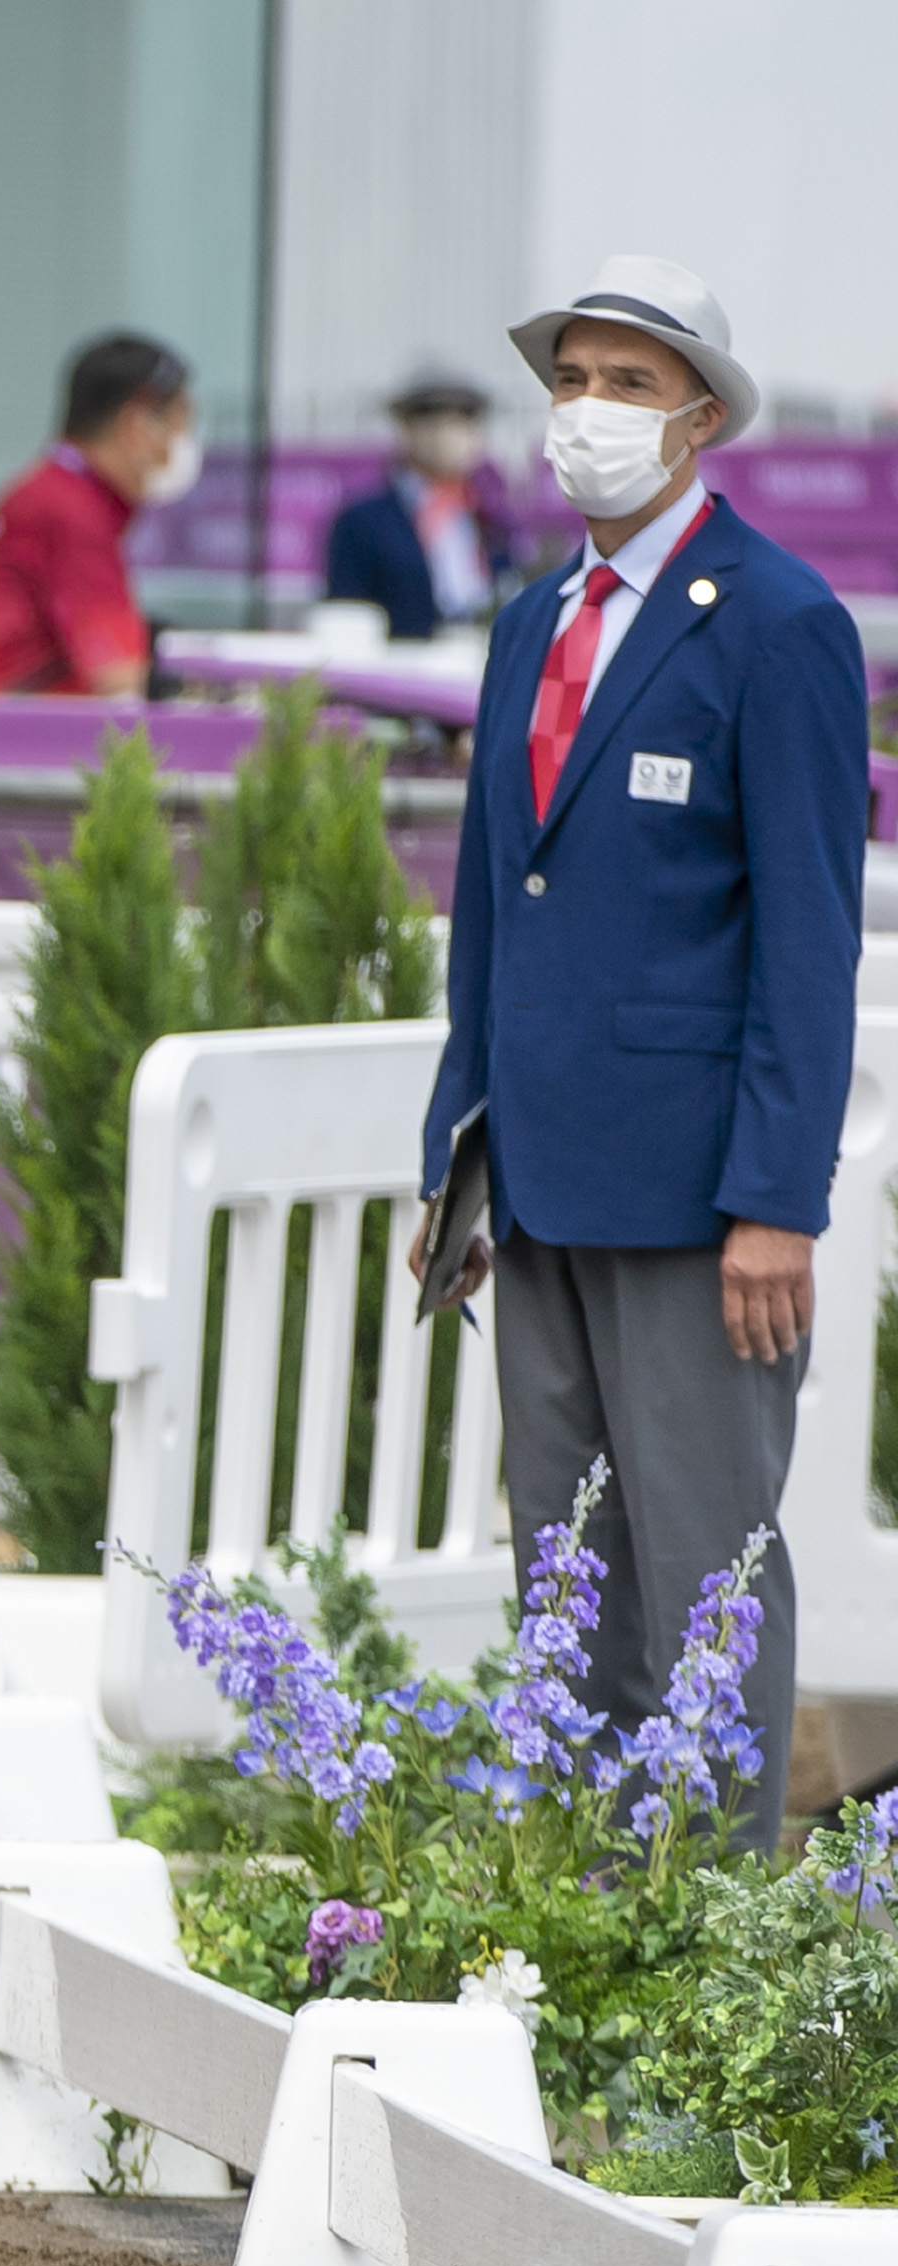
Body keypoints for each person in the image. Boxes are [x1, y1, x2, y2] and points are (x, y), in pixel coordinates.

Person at [412, 256, 867, 1855]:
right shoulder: (535, 616)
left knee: (705, 1576)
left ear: (700, 419)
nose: (587, 412)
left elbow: (810, 944)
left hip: (697, 1205)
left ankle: (714, 1935)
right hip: (535, 1186)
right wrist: (458, 1154)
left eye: (626, 382)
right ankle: (593, 1929)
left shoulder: (784, 625)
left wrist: (776, 1202)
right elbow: (492, 913)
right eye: (572, 379)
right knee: (568, 1579)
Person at [0, 331, 200, 698]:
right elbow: (119, 686)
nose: (186, 440)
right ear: (137, 427)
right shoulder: (71, 512)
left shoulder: (52, 492)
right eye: (182, 421)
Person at [324, 372, 518, 639]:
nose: (451, 436)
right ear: (407, 430)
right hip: (400, 672)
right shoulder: (364, 522)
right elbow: (347, 617)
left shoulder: (489, 518)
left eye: (463, 422)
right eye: (436, 422)